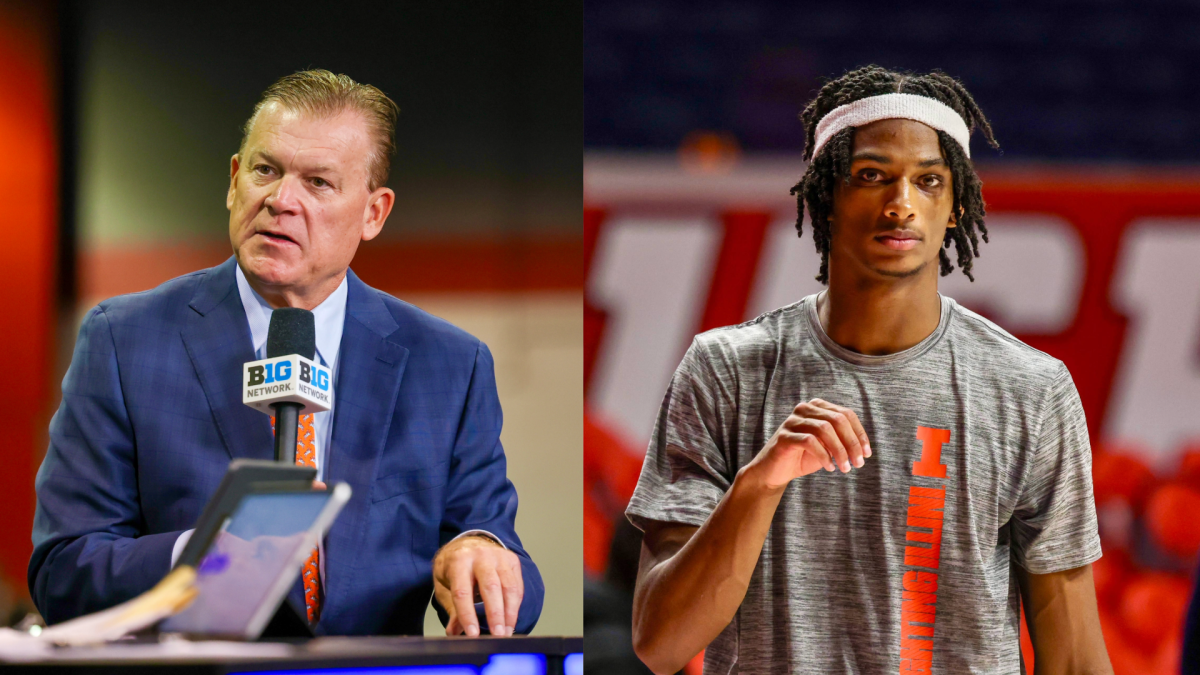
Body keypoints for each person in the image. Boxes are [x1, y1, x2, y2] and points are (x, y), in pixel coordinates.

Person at [627, 66, 1111, 674]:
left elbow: (1074, 657)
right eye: (873, 176)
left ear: (956, 207)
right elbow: (661, 643)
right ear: (826, 195)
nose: (901, 204)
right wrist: (760, 484)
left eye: (928, 181)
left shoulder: (1030, 388)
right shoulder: (726, 370)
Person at [29, 69, 542, 638]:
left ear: (374, 213)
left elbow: (498, 548)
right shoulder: (124, 341)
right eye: (265, 170)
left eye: (319, 182)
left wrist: (481, 554)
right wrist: (200, 557)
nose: (280, 200)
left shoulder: (449, 365)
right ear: (233, 180)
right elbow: (62, 572)